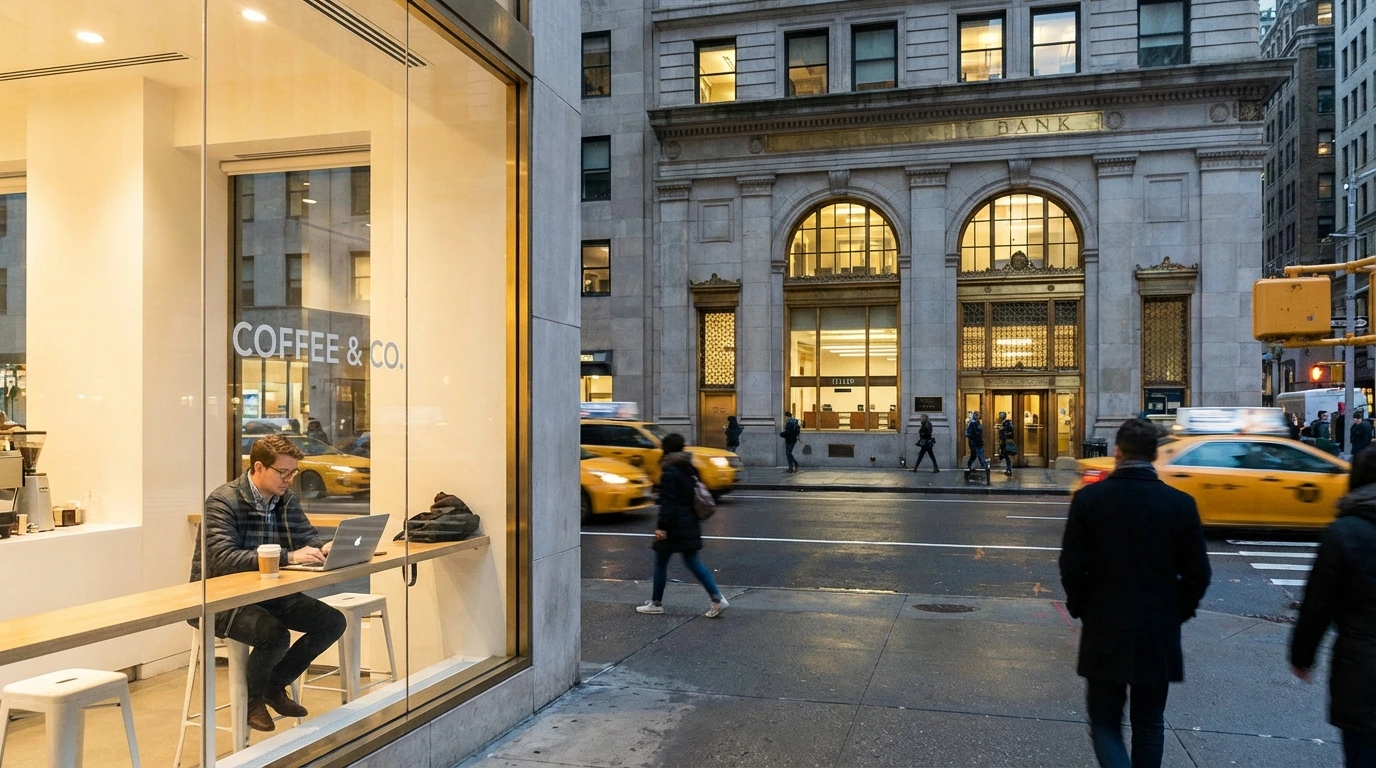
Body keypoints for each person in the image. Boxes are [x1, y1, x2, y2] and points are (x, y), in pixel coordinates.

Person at [1059, 418, 1212, 768]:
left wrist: (1082, 607)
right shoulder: (1180, 504)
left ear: (1117, 451)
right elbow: (1198, 574)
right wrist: (1177, 611)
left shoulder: (1089, 500)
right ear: (1155, 454)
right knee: (1149, 722)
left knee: (1105, 723)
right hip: (1158, 626)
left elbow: (1071, 566)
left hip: (1105, 623)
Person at [189, 434, 347, 732]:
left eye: (293, 473)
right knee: (274, 635)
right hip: (222, 598)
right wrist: (288, 556)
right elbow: (222, 558)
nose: (289, 479)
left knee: (332, 622)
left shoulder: (284, 499)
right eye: (283, 472)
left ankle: (274, 685)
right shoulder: (223, 500)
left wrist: (323, 547)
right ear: (258, 467)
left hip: (268, 594)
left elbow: (305, 537)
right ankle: (253, 702)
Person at [1291, 448, 1376, 766]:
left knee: (1363, 752)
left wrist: (1302, 656)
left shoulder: (1344, 532)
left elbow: (1318, 603)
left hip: (1362, 667)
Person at [636, 433, 728, 618]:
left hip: (673, 525)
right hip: (689, 521)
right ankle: (717, 598)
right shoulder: (688, 467)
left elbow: (668, 503)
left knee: (661, 563)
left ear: (666, 449)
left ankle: (656, 604)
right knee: (693, 561)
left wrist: (662, 527)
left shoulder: (669, 471)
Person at [997, 411, 1016, 477]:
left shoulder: (1007, 423)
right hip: (1004, 441)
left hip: (1005, 442)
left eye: (1001, 415)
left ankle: (1009, 470)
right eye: (1000, 415)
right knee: (1006, 456)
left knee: (1006, 455)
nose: (1000, 417)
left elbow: (1010, 432)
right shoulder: (1004, 423)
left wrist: (1004, 435)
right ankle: (1008, 469)